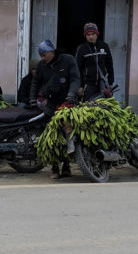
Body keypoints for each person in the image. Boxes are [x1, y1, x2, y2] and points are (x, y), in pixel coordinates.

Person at [29, 39, 81, 179]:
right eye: (41, 56)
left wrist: (71, 94)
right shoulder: (41, 66)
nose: (42, 58)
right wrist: (32, 98)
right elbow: (35, 82)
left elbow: (76, 79)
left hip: (67, 102)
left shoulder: (68, 60)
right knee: (52, 136)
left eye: (44, 55)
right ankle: (54, 167)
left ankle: (66, 167)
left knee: (66, 133)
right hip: (51, 104)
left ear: (52, 51)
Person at [75, 22, 114, 101]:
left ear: (97, 34)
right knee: (87, 108)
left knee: (103, 108)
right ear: (85, 36)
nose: (91, 37)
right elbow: (77, 69)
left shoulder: (104, 46)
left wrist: (110, 83)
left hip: (103, 85)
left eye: (93, 34)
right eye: (88, 35)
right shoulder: (81, 49)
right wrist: (79, 86)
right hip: (88, 86)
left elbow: (110, 66)